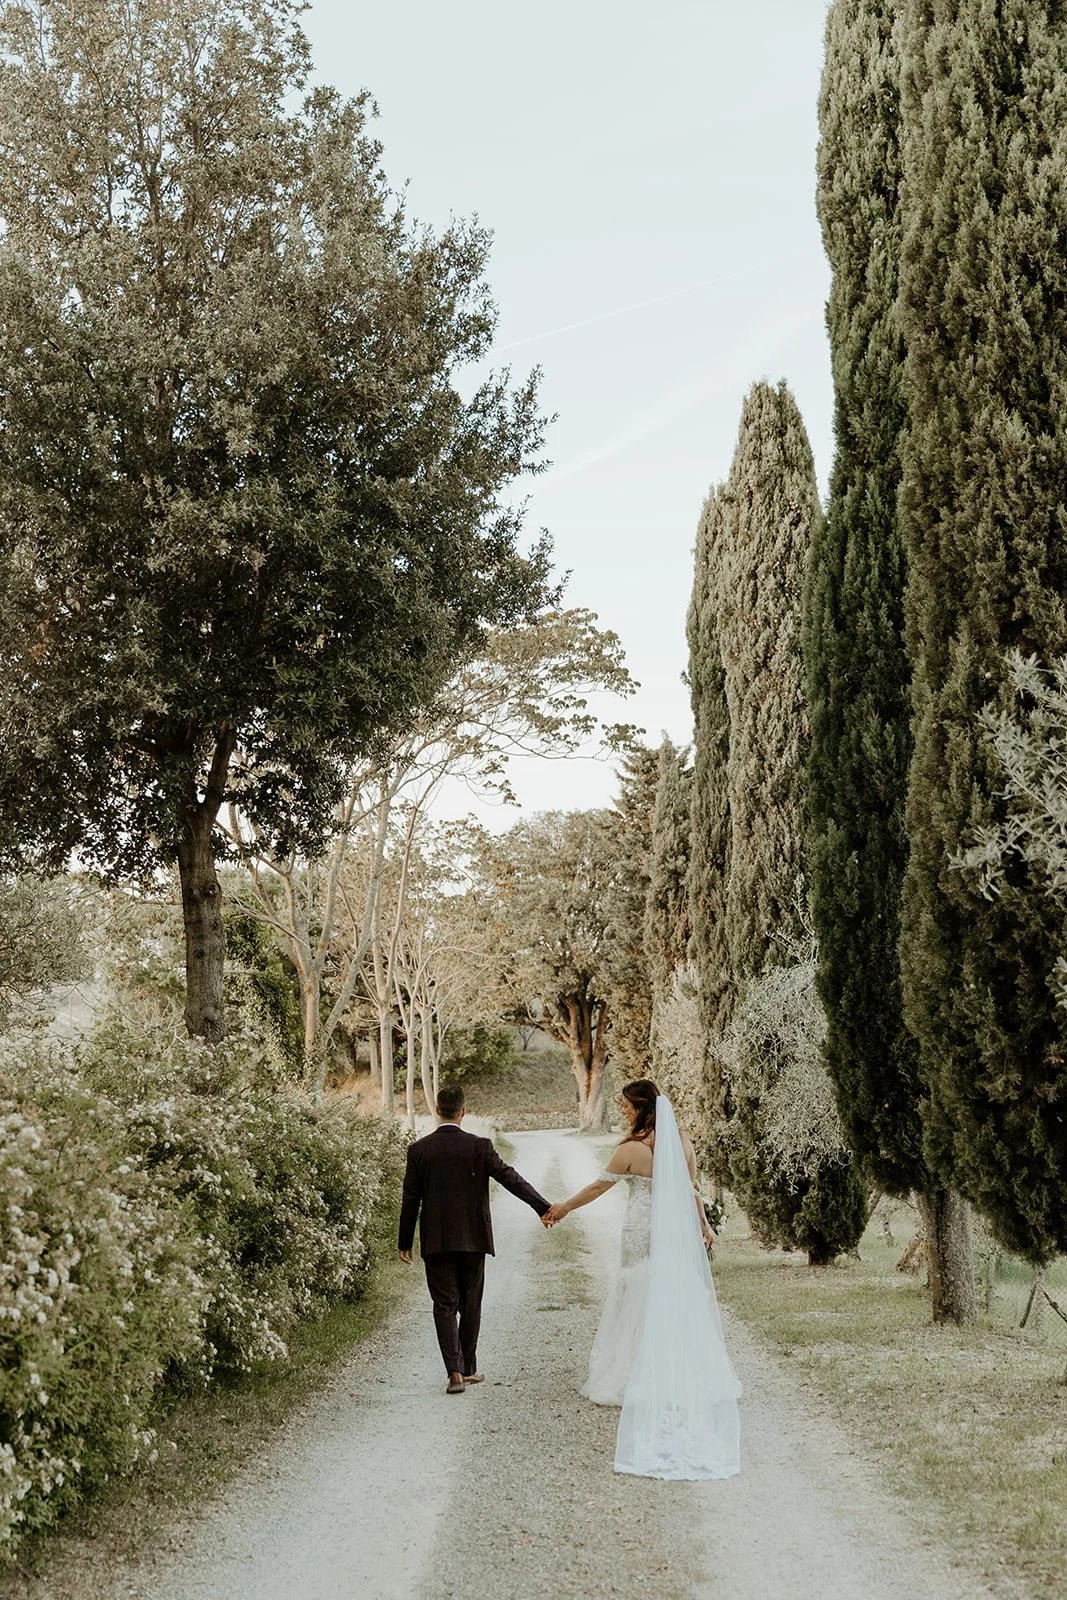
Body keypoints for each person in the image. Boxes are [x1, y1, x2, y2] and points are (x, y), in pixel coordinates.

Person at [544, 1078, 742, 1480]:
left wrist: (563, 1207)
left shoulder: (630, 1150)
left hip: (639, 1229)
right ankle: (678, 1368)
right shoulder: (682, 1142)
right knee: (671, 1294)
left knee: (638, 1290)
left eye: (626, 1106)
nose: (623, 1111)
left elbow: (600, 1187)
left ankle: (633, 1372)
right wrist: (703, 1227)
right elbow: (693, 1190)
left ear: (639, 1107)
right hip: (674, 1230)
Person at [398, 1082, 551, 1395]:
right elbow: (511, 1179)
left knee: (444, 1305)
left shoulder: (419, 1150)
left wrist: (404, 1241)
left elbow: (410, 1199)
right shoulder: (480, 1146)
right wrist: (543, 1207)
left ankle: (454, 1372)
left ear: (437, 1110)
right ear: (463, 1112)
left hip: (436, 1240)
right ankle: (468, 1368)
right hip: (474, 1239)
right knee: (470, 1304)